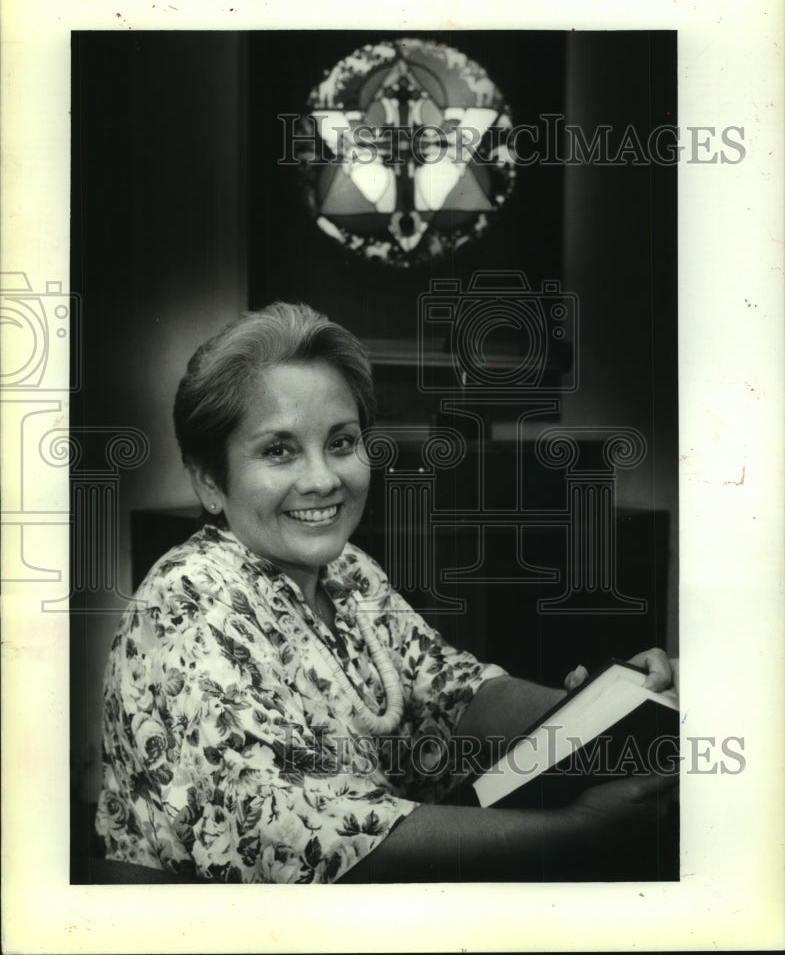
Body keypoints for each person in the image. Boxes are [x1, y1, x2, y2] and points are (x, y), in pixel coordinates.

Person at [96, 302, 676, 883]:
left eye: (342, 443)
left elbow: (451, 694)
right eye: (279, 450)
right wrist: (575, 834)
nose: (323, 478)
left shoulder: (349, 572)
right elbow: (297, 838)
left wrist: (615, 703)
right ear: (207, 478)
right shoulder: (189, 598)